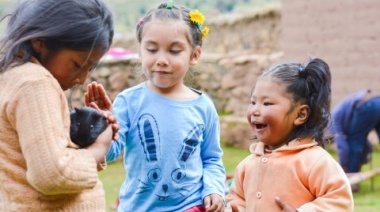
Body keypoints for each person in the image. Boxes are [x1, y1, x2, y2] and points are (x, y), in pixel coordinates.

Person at [105, 2, 226, 212]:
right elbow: (110, 153)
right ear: (141, 51)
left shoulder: (203, 106)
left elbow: (212, 158)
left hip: (190, 206)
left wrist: (214, 189)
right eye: (152, 49)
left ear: (194, 55)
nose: (161, 60)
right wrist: (101, 126)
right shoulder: (128, 102)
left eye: (174, 51)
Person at [0, 0, 118, 211]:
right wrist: (99, 148)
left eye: (89, 69)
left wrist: (92, 130)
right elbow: (53, 174)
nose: (82, 79)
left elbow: (35, 158)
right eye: (77, 65)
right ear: (40, 41)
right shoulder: (35, 83)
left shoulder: (12, 77)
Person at [225, 58, 354, 211]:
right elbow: (237, 200)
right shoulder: (247, 165)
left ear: (300, 115)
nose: (254, 110)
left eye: (267, 103)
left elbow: (339, 201)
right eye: (253, 102)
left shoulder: (314, 162)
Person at [330, 89, 380, 191]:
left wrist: (344, 167)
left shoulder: (332, 124)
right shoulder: (341, 122)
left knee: (354, 143)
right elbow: (367, 145)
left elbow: (343, 148)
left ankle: (351, 182)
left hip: (367, 105)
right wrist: (364, 158)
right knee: (357, 142)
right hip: (376, 101)